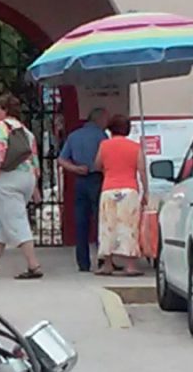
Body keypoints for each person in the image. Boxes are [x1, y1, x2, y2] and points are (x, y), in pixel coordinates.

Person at [0, 93, 43, 279]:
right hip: (26, 179)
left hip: (8, 180)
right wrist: (35, 189)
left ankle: (34, 265)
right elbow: (34, 161)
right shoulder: (26, 132)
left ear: (4, 110)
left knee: (17, 220)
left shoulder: (1, 128)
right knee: (2, 221)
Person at [57, 106, 107, 272]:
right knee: (101, 221)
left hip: (80, 180)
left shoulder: (74, 136)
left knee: (81, 221)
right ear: (99, 119)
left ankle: (83, 262)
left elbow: (62, 160)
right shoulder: (102, 136)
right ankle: (102, 259)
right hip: (97, 179)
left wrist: (75, 169)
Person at [93, 115, 145, 275]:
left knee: (108, 227)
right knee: (129, 227)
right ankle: (130, 265)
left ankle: (108, 264)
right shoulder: (136, 147)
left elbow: (97, 165)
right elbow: (142, 170)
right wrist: (146, 192)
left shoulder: (104, 145)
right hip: (129, 190)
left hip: (109, 189)